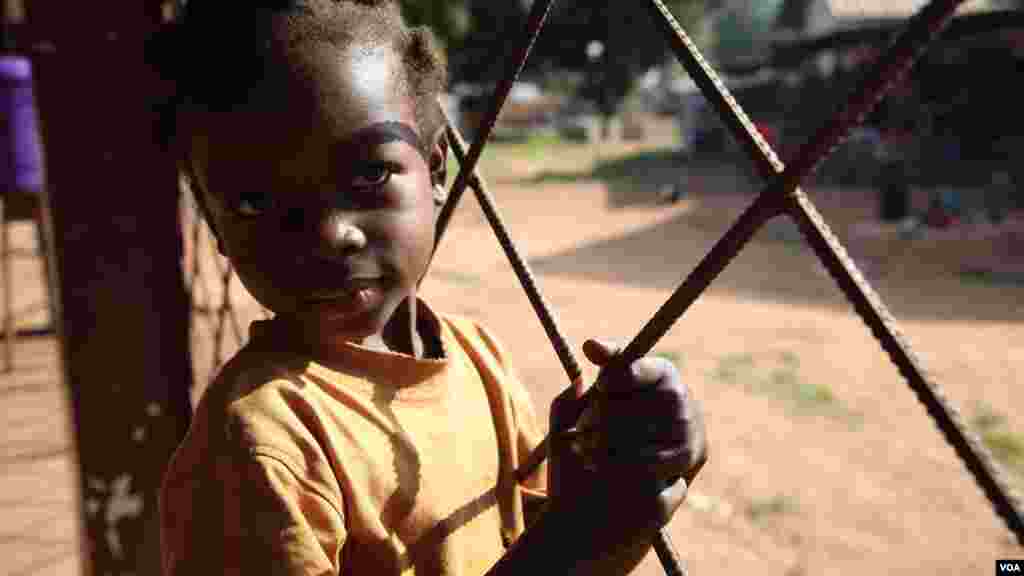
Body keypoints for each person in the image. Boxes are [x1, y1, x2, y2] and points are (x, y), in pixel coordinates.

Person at [154, 1, 707, 574]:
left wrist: (609, 479)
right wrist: (581, 539)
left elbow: (515, 544)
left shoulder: (478, 359)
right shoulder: (258, 448)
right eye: (254, 201)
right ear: (215, 223)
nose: (330, 234)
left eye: (368, 173)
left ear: (437, 168)